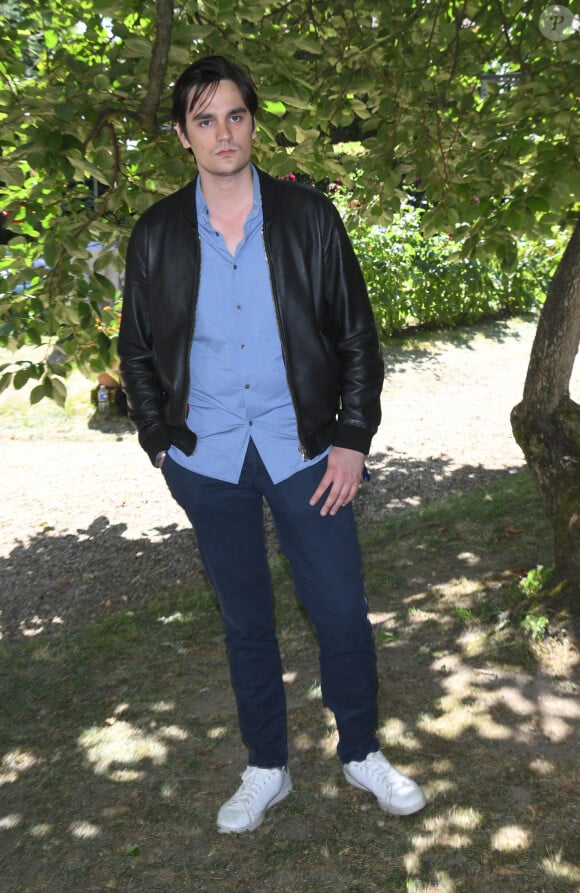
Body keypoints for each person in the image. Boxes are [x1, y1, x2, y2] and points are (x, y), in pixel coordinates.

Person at [118, 55, 427, 833]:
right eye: (204, 119)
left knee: (341, 611)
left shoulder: (309, 218)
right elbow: (138, 352)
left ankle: (361, 750)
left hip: (307, 453)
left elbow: (357, 336)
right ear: (184, 136)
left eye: (235, 115)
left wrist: (353, 437)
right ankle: (267, 766)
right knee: (246, 620)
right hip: (208, 460)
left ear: (252, 122)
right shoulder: (155, 233)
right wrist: (161, 442)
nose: (223, 132)